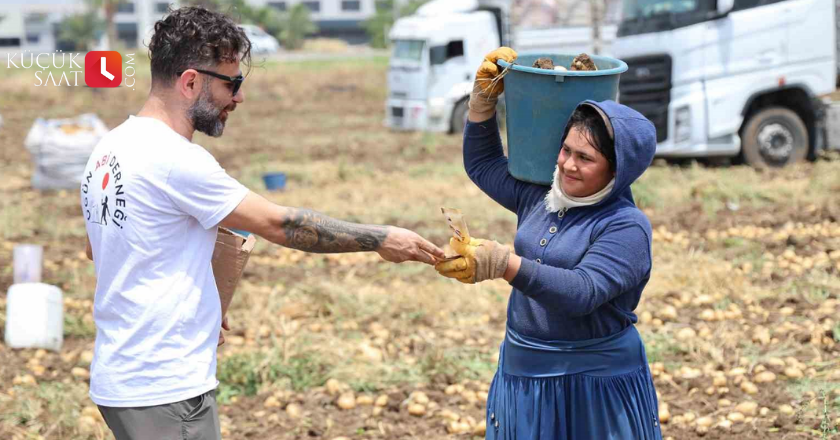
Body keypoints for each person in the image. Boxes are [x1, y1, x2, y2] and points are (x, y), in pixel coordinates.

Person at [80, 7, 444, 440]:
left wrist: (199, 300)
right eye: (231, 84)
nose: (239, 97)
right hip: (164, 385)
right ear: (190, 81)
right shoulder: (176, 160)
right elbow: (280, 224)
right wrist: (381, 238)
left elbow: (100, 244)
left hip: (121, 377)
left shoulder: (111, 146)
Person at [435, 47, 663, 439]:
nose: (567, 165)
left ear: (617, 169)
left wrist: (503, 264)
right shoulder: (543, 197)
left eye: (585, 158)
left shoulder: (625, 227)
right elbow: (483, 165)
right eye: (566, 150)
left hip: (594, 386)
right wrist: (482, 105)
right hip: (525, 374)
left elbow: (582, 292)